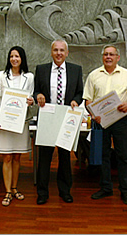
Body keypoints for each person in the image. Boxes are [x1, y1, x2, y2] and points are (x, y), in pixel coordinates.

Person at [83, 44, 127, 205]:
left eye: (111, 54)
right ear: (102, 57)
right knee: (103, 155)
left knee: (123, 156)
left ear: (118, 57)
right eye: (106, 54)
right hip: (101, 121)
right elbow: (88, 99)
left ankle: (125, 190)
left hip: (120, 119)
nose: (108, 57)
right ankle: (106, 188)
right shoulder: (94, 75)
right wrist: (93, 114)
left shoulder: (126, 74)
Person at [34, 39, 83, 205]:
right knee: (45, 158)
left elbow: (79, 92)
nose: (59, 53)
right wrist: (38, 96)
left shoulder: (76, 70)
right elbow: (36, 91)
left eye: (62, 50)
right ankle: (42, 193)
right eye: (55, 50)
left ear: (67, 53)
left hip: (66, 117)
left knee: (64, 156)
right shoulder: (41, 70)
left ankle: (65, 191)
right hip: (47, 117)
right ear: (51, 52)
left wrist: (76, 101)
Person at [0, 46, 35, 207]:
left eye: (17, 56)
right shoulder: (1, 76)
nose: (14, 59)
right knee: (7, 157)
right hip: (4, 122)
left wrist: (31, 101)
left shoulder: (29, 77)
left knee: (17, 157)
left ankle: (15, 188)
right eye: (11, 56)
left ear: (22, 58)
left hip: (20, 123)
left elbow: (30, 98)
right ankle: (7, 191)